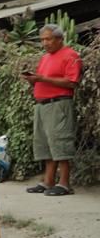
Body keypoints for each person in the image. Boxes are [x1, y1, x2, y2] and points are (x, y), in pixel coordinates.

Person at [24, 23, 82, 196]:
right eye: (42, 40)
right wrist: (34, 79)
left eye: (48, 39)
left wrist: (43, 78)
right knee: (45, 144)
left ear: (59, 39)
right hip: (42, 104)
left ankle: (64, 183)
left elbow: (72, 82)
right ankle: (48, 181)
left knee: (60, 142)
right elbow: (45, 78)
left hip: (59, 104)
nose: (45, 43)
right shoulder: (45, 57)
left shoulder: (70, 55)